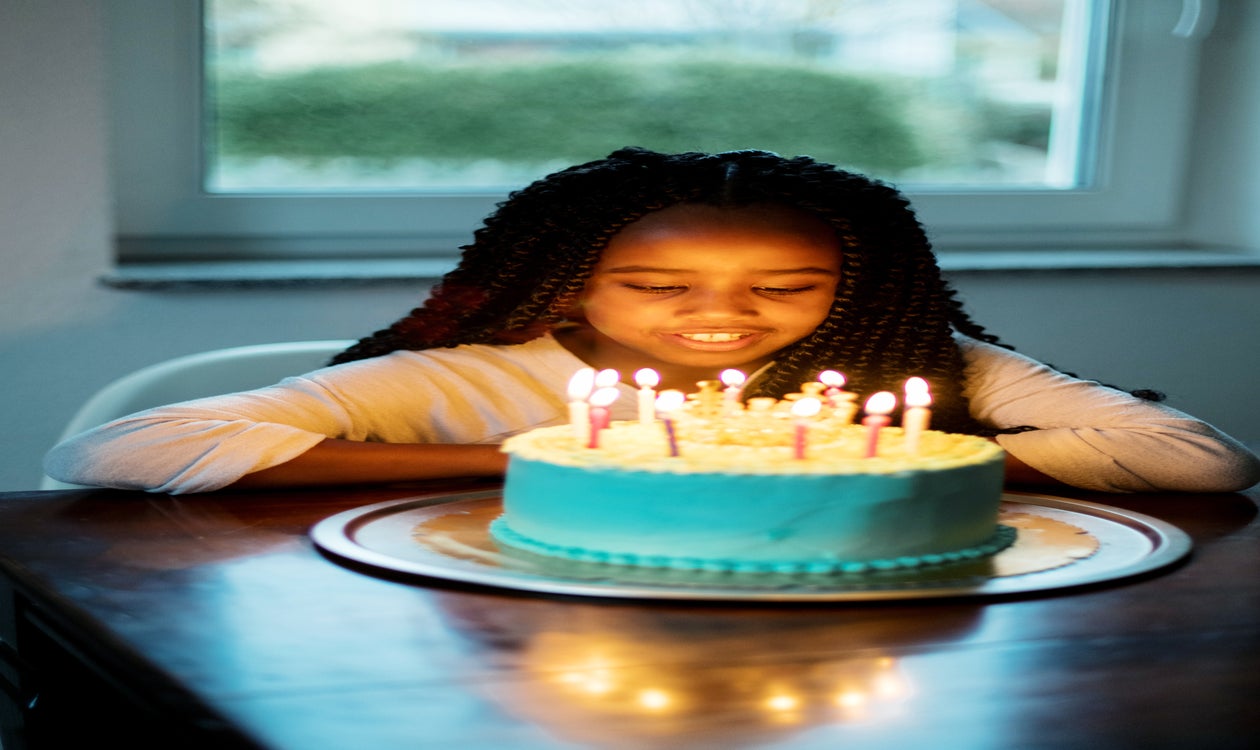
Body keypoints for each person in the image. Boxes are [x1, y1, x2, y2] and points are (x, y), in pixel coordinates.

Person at [45, 147, 1260, 495]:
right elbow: (113, 454)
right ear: (571, 281)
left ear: (859, 286)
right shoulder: (472, 380)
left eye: (785, 289)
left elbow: (1201, 461)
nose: (723, 319)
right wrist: (555, 453)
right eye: (661, 287)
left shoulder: (909, 366)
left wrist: (855, 452)